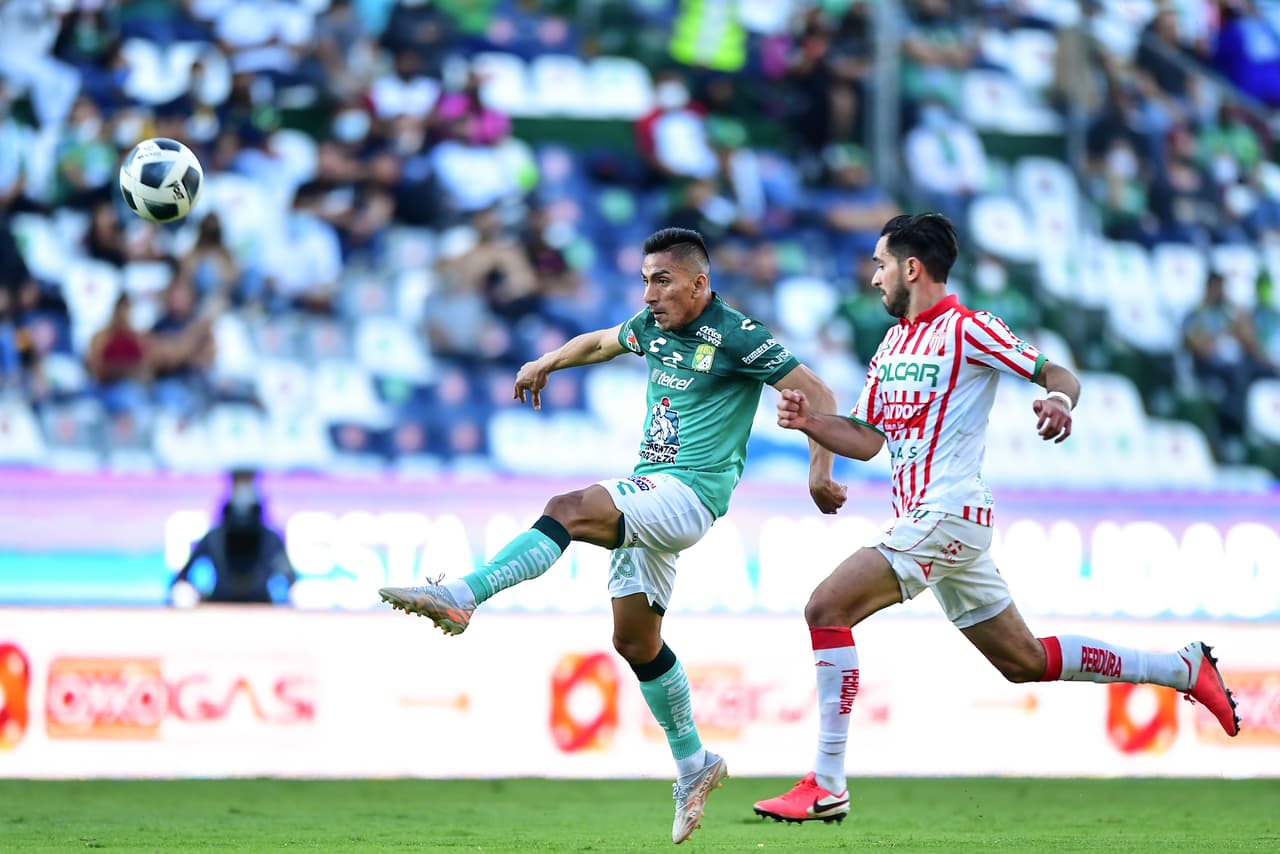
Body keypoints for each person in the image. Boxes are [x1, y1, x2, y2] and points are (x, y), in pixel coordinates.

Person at [752, 213, 1240, 825]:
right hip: (937, 525)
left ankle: (826, 785)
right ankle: (1182, 668)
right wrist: (809, 423)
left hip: (948, 513)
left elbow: (1055, 373)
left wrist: (1059, 401)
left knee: (826, 608)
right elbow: (867, 437)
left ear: (912, 268)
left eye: (880, 265)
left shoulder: (969, 329)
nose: (873, 278)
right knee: (1024, 662)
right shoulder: (893, 343)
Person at [379, 227, 847, 845]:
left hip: (689, 496)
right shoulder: (652, 326)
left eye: (662, 280)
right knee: (635, 641)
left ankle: (464, 595)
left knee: (566, 508)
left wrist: (821, 471)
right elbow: (600, 342)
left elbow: (816, 392)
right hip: (652, 488)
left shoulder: (736, 336)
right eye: (645, 279)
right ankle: (696, 766)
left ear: (698, 283)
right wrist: (546, 361)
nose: (650, 293)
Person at [171, 469, 296, 606]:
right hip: (220, 607)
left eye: (248, 481)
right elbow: (182, 576)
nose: (243, 489)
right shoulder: (214, 538)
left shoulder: (271, 538)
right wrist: (199, 596)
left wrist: (282, 600)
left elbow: (290, 579)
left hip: (260, 609)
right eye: (239, 481)